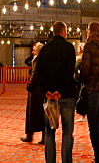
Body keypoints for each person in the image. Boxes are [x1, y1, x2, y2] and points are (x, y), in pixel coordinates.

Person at [32, 22, 77, 163]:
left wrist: (47, 91)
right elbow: (69, 72)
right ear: (64, 32)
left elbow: (39, 72)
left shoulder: (45, 49)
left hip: (50, 97)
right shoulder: (69, 48)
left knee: (49, 133)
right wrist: (61, 91)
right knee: (67, 133)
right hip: (67, 95)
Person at [78, 21, 99, 163]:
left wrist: (82, 81)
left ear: (90, 31)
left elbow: (85, 70)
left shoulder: (89, 46)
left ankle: (98, 157)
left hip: (93, 90)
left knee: (93, 128)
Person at [22, 41, 45, 144]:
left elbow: (34, 74)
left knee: (32, 113)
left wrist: (29, 86)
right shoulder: (45, 59)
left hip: (36, 89)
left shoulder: (37, 60)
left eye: (34, 48)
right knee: (43, 113)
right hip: (43, 88)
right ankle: (44, 137)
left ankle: (29, 136)